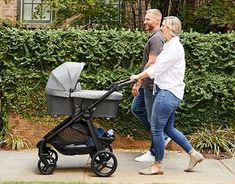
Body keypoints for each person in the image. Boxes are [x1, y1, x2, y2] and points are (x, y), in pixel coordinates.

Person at [131, 16, 204, 175]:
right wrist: (141, 76)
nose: (161, 28)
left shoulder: (175, 48)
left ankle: (157, 166)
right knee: (168, 128)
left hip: (167, 93)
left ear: (170, 30)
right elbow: (157, 65)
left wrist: (138, 76)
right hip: (167, 92)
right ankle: (194, 154)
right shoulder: (170, 45)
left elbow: (157, 68)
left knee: (157, 129)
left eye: (163, 26)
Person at [131, 9, 171, 162]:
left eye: (148, 19)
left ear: (157, 21)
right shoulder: (156, 37)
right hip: (146, 84)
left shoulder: (156, 39)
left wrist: (138, 81)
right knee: (136, 108)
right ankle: (163, 137)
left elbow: (152, 63)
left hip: (151, 85)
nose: (145, 21)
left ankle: (155, 151)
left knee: (152, 119)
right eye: (145, 19)